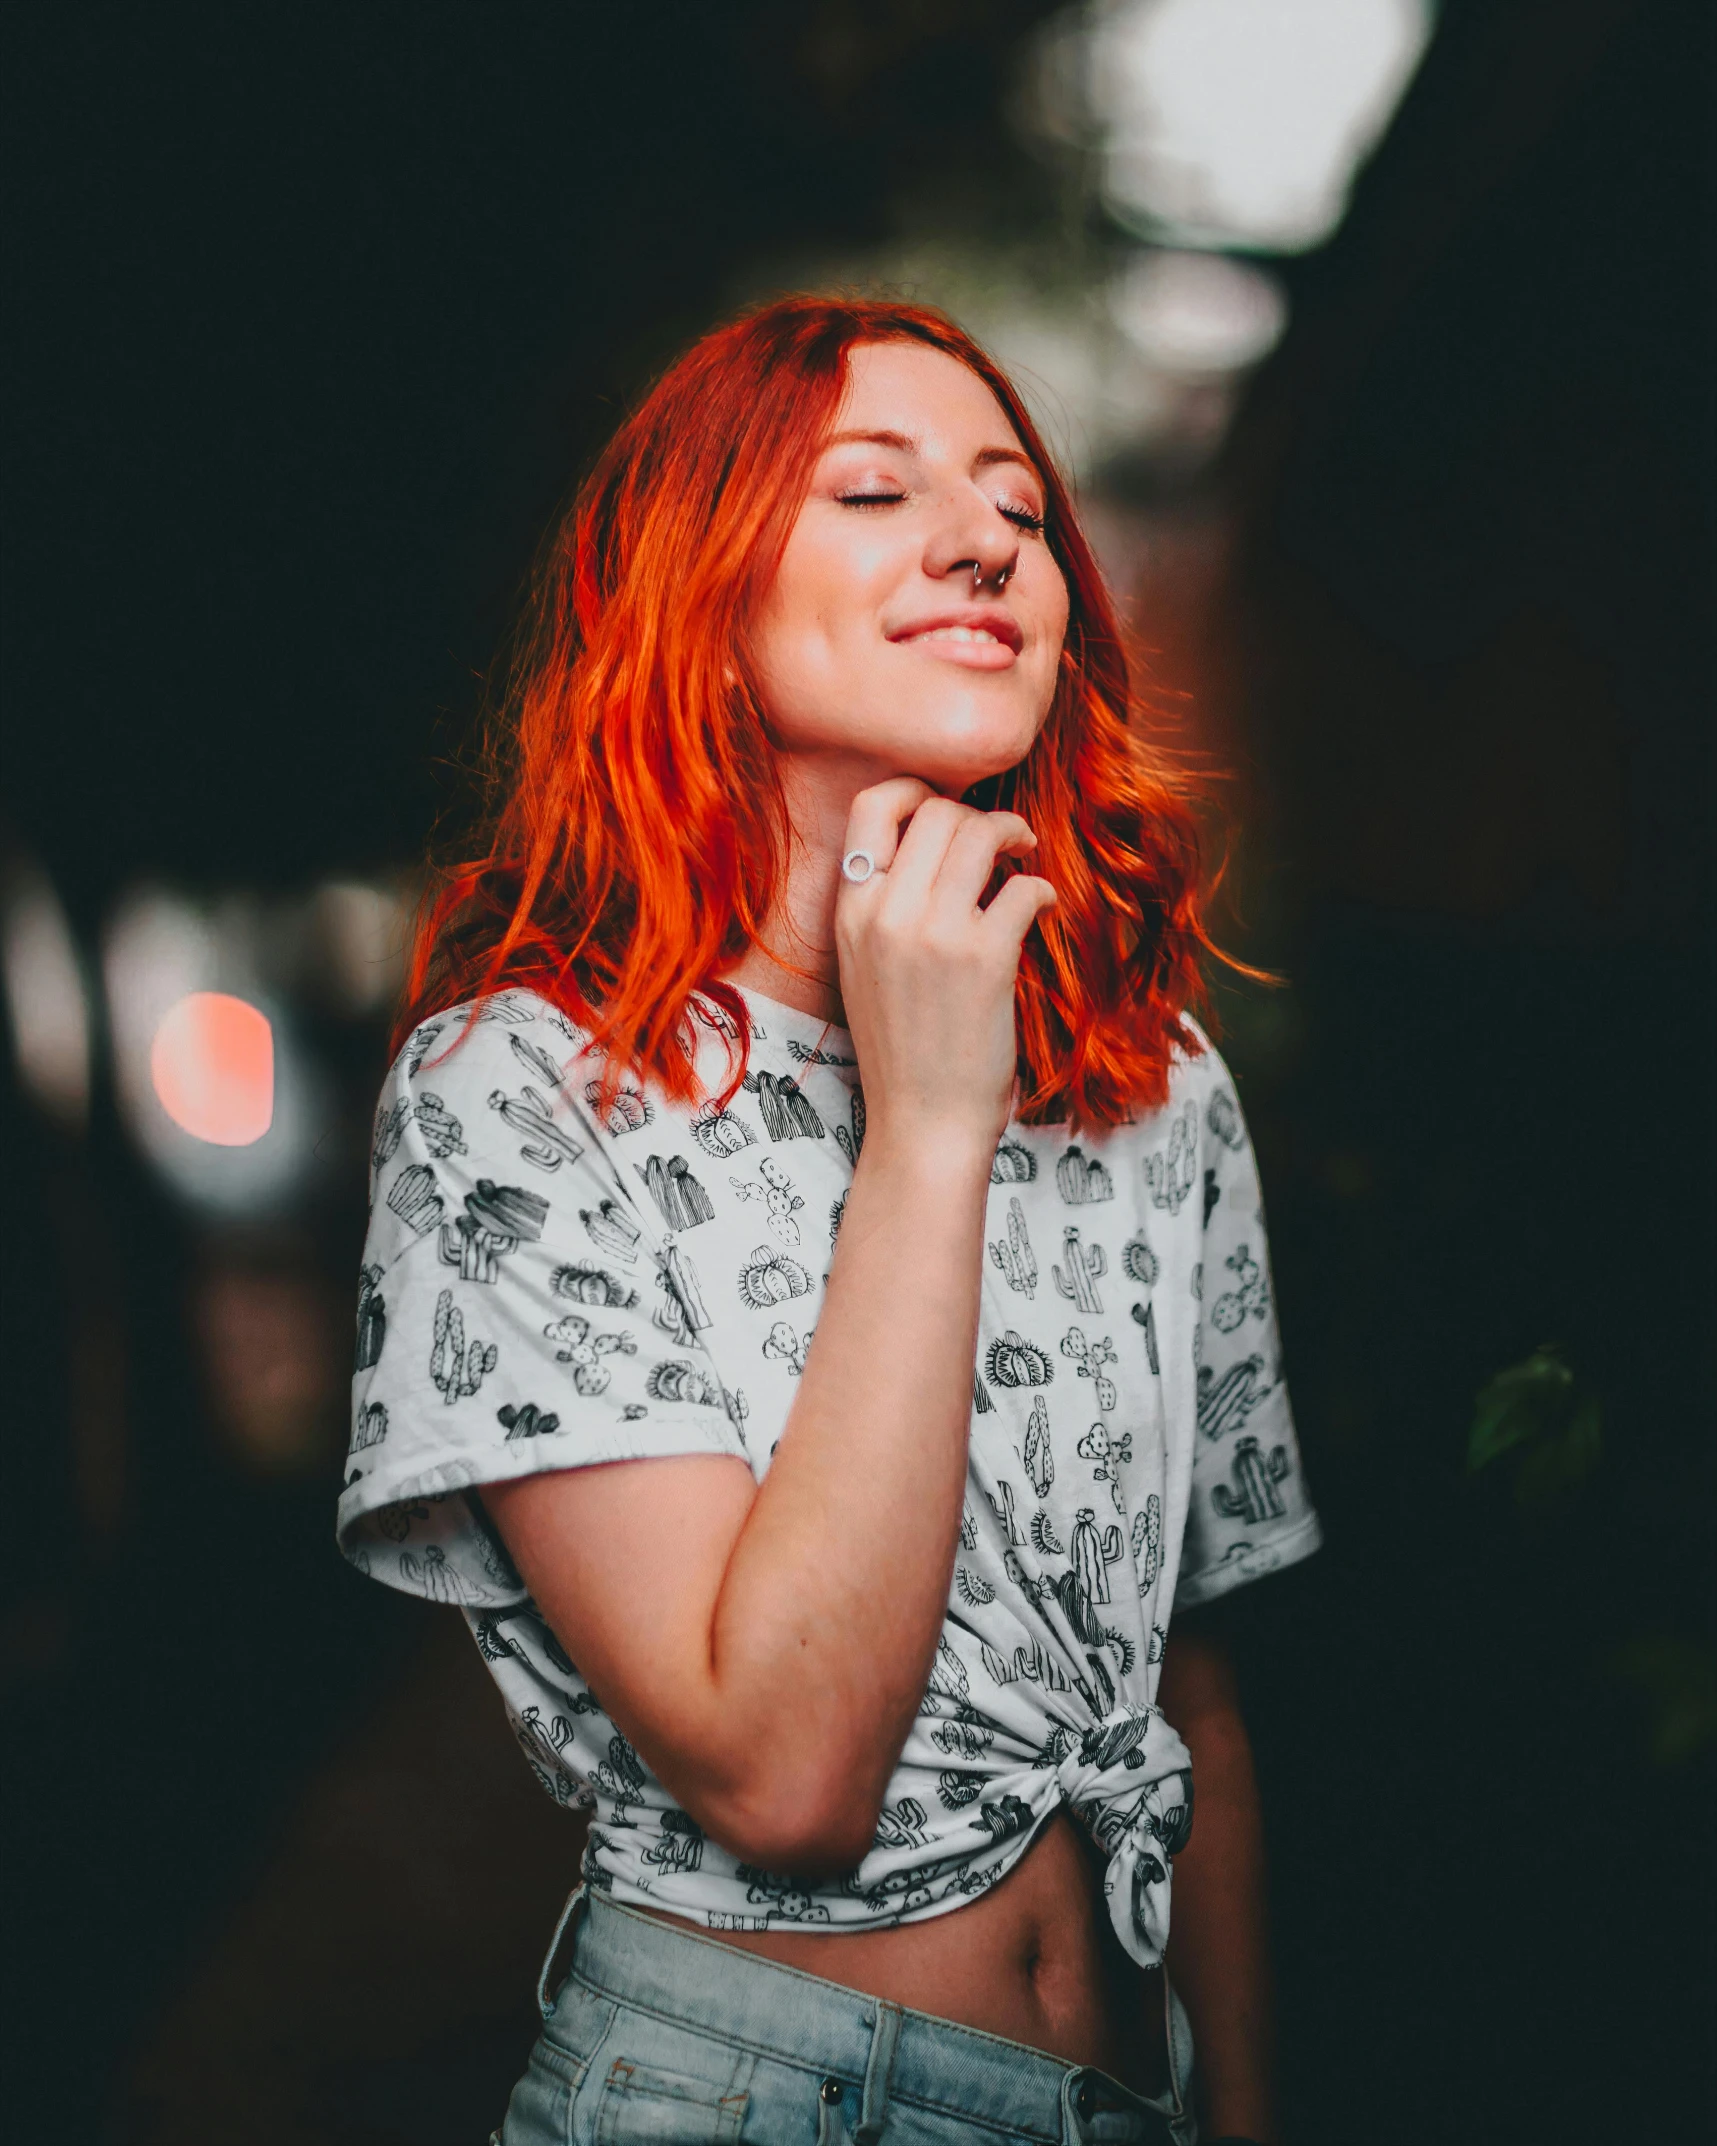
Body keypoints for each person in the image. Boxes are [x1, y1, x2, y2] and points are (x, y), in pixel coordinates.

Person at [337, 297, 1320, 2146]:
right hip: (745, 2094)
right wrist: (931, 1125)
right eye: (872, 489)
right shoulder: (530, 1097)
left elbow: (1187, 1690)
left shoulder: (1149, 1078)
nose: (983, 543)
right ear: (696, 590)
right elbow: (784, 1771)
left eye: (1022, 513)